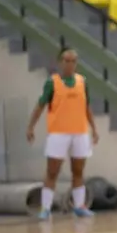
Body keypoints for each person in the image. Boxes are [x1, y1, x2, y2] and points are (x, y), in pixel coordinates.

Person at [26, 48, 99, 221]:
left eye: (73, 61)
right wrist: (31, 126)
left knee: (78, 170)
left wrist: (94, 128)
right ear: (60, 62)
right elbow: (40, 105)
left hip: (79, 132)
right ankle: (45, 208)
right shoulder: (52, 82)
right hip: (58, 133)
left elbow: (87, 107)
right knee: (52, 171)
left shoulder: (82, 82)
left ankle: (79, 206)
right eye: (67, 61)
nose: (70, 64)